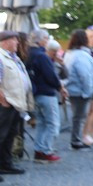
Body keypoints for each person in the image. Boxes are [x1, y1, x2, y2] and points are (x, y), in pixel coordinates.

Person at [0, 31, 31, 182]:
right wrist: (3, 101)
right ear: (5, 42)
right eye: (15, 40)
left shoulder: (10, 57)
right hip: (2, 105)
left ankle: (5, 164)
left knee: (9, 135)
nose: (17, 43)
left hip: (13, 104)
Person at [26, 29, 66, 162]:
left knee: (42, 123)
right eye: (46, 38)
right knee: (53, 124)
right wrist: (60, 87)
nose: (48, 41)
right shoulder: (42, 56)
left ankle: (39, 150)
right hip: (46, 93)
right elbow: (51, 76)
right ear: (40, 40)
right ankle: (46, 150)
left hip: (35, 93)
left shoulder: (28, 54)